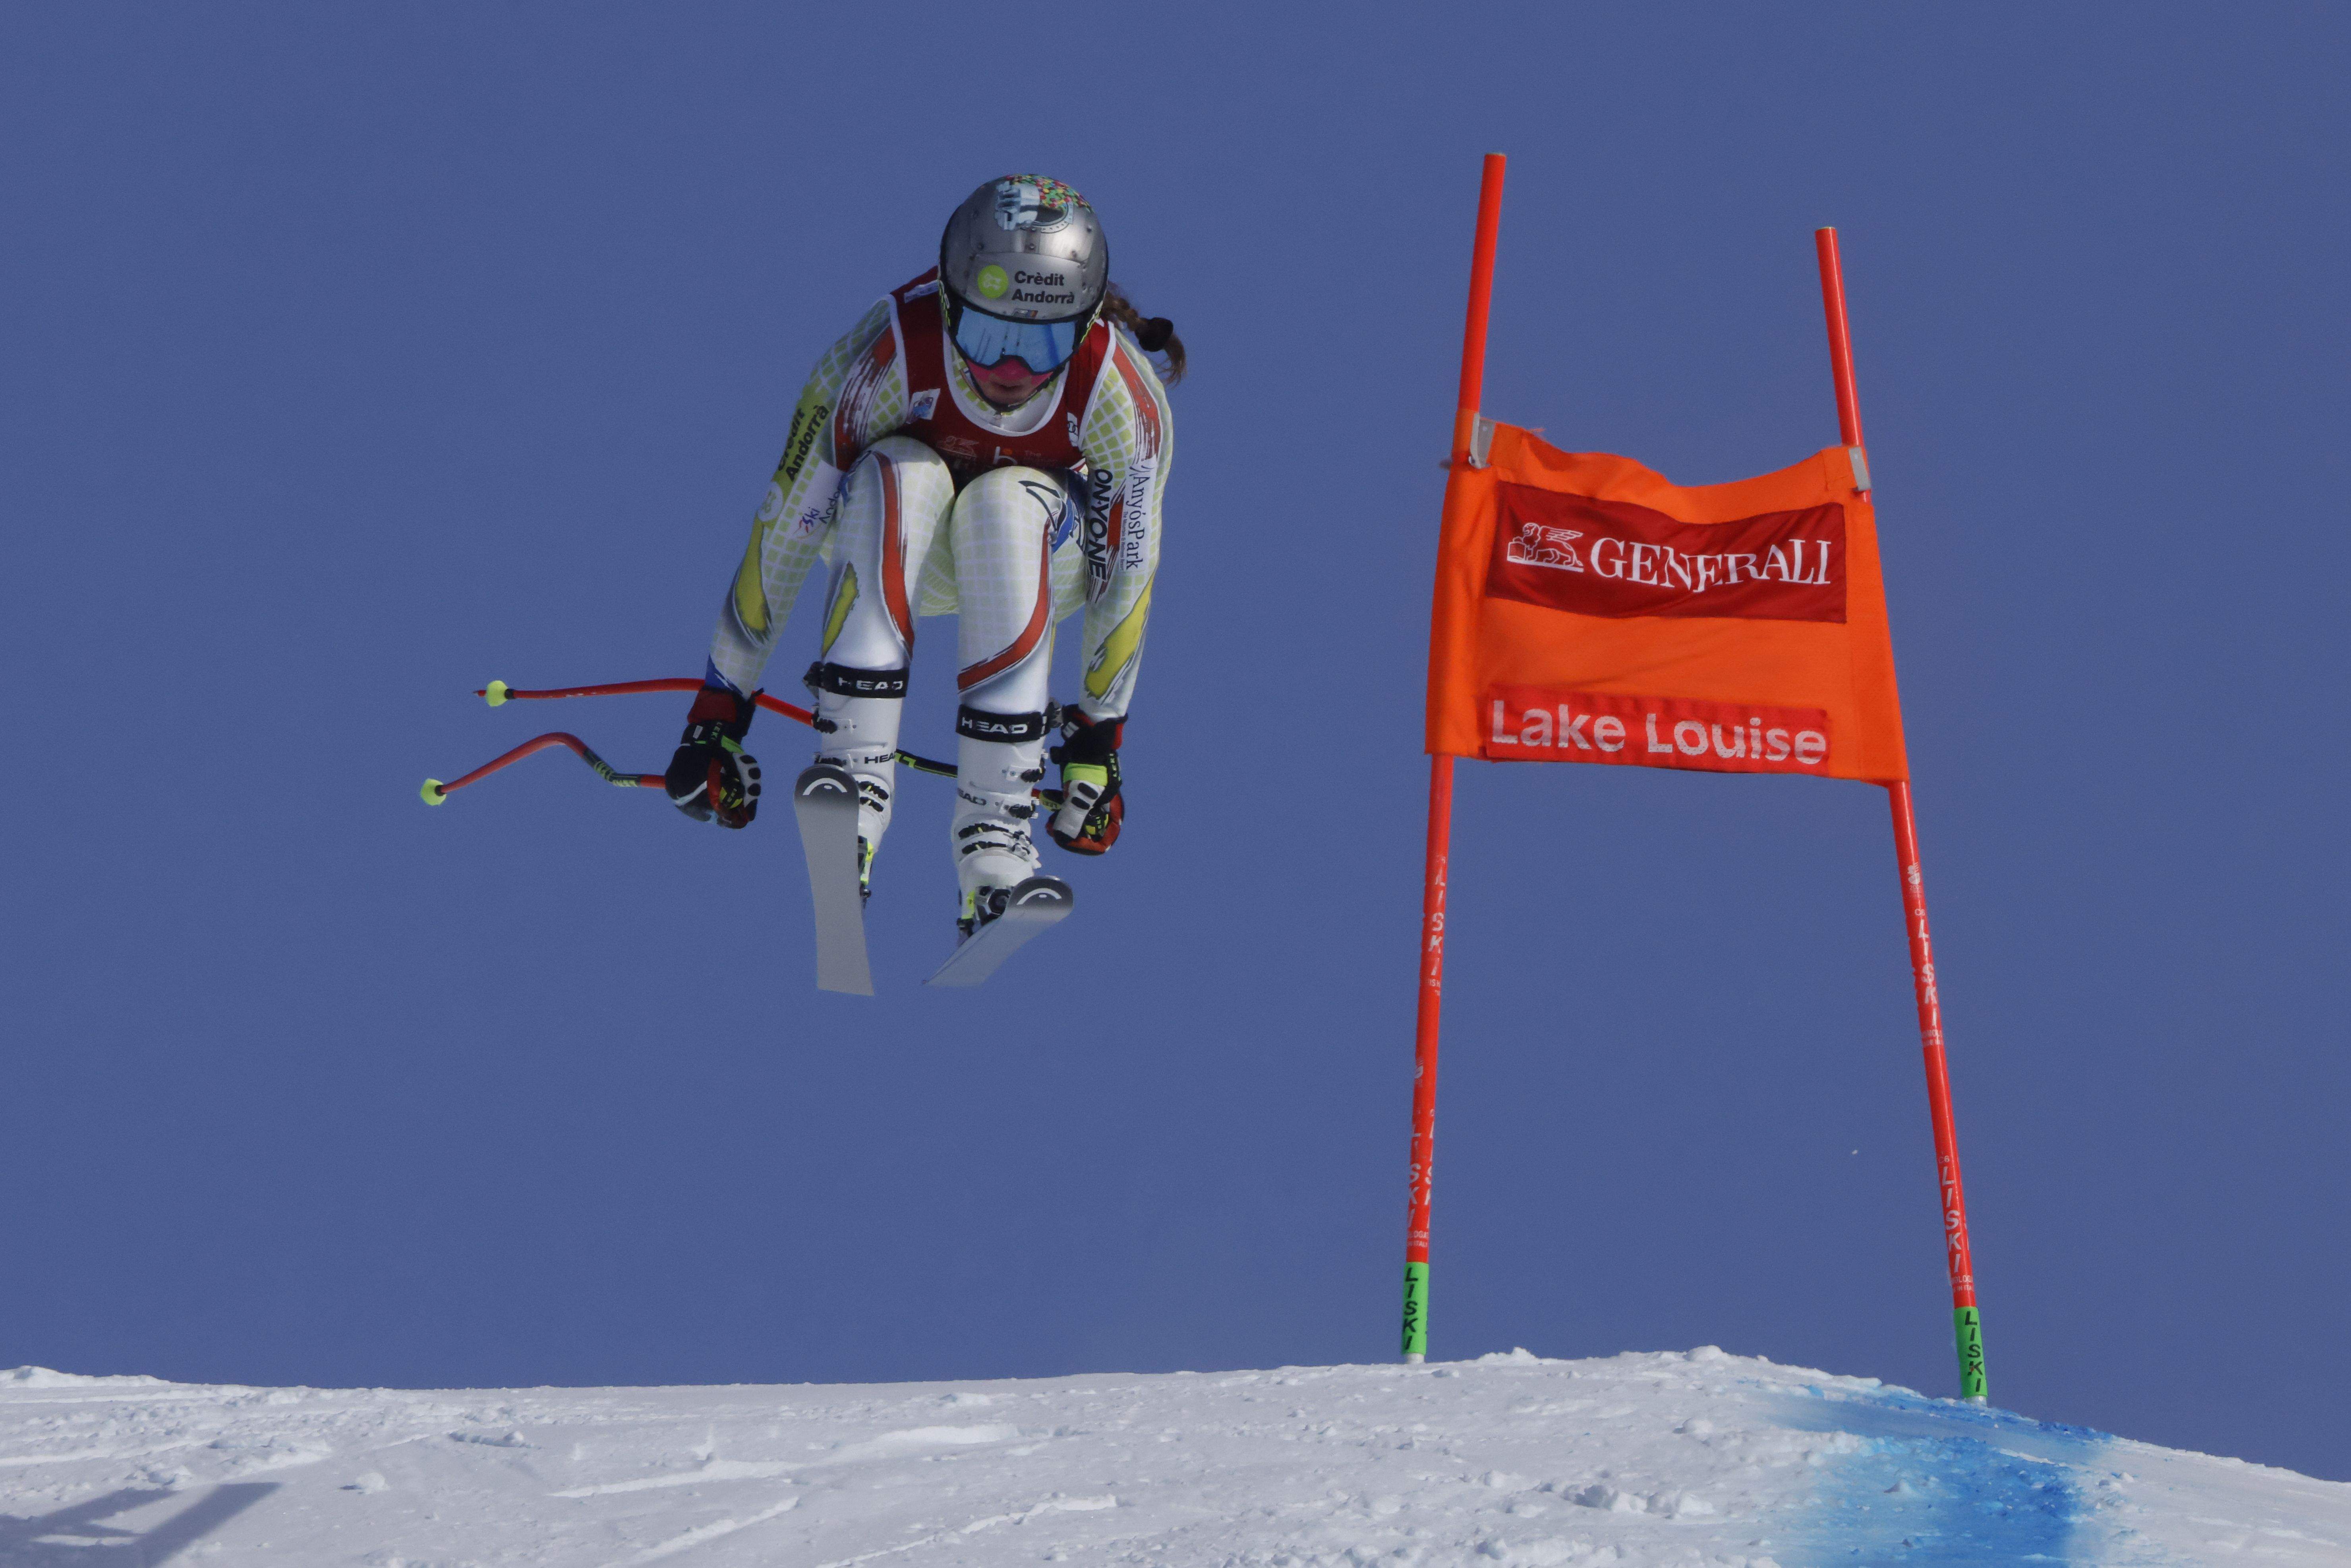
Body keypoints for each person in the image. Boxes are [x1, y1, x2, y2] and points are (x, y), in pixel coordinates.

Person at [663, 175, 1181, 942]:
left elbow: (1125, 574)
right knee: (898, 468)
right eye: (987, 335)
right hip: (900, 547)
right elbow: (786, 530)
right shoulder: (884, 358)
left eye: (1041, 344)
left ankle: (997, 842)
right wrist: (718, 713)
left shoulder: (1117, 395)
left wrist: (1098, 747)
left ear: (1082, 327)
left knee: (1007, 500)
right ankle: (851, 790)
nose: (1010, 372)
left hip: (1038, 559)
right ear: (947, 304)